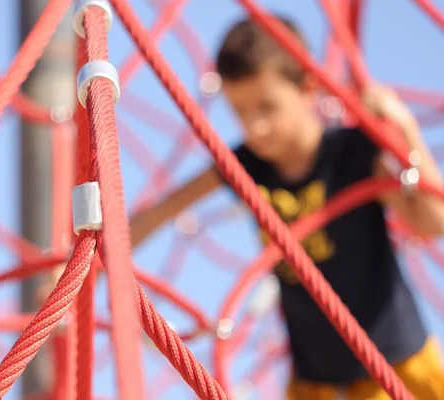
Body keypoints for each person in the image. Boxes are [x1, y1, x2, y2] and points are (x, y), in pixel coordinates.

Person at [128, 15, 444, 400]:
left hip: (397, 367)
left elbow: (432, 222)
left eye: (266, 108)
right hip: (315, 382)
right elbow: (162, 212)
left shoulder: (353, 154)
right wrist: (92, 260)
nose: (255, 128)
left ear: (308, 87)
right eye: (241, 113)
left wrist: (406, 131)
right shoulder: (246, 166)